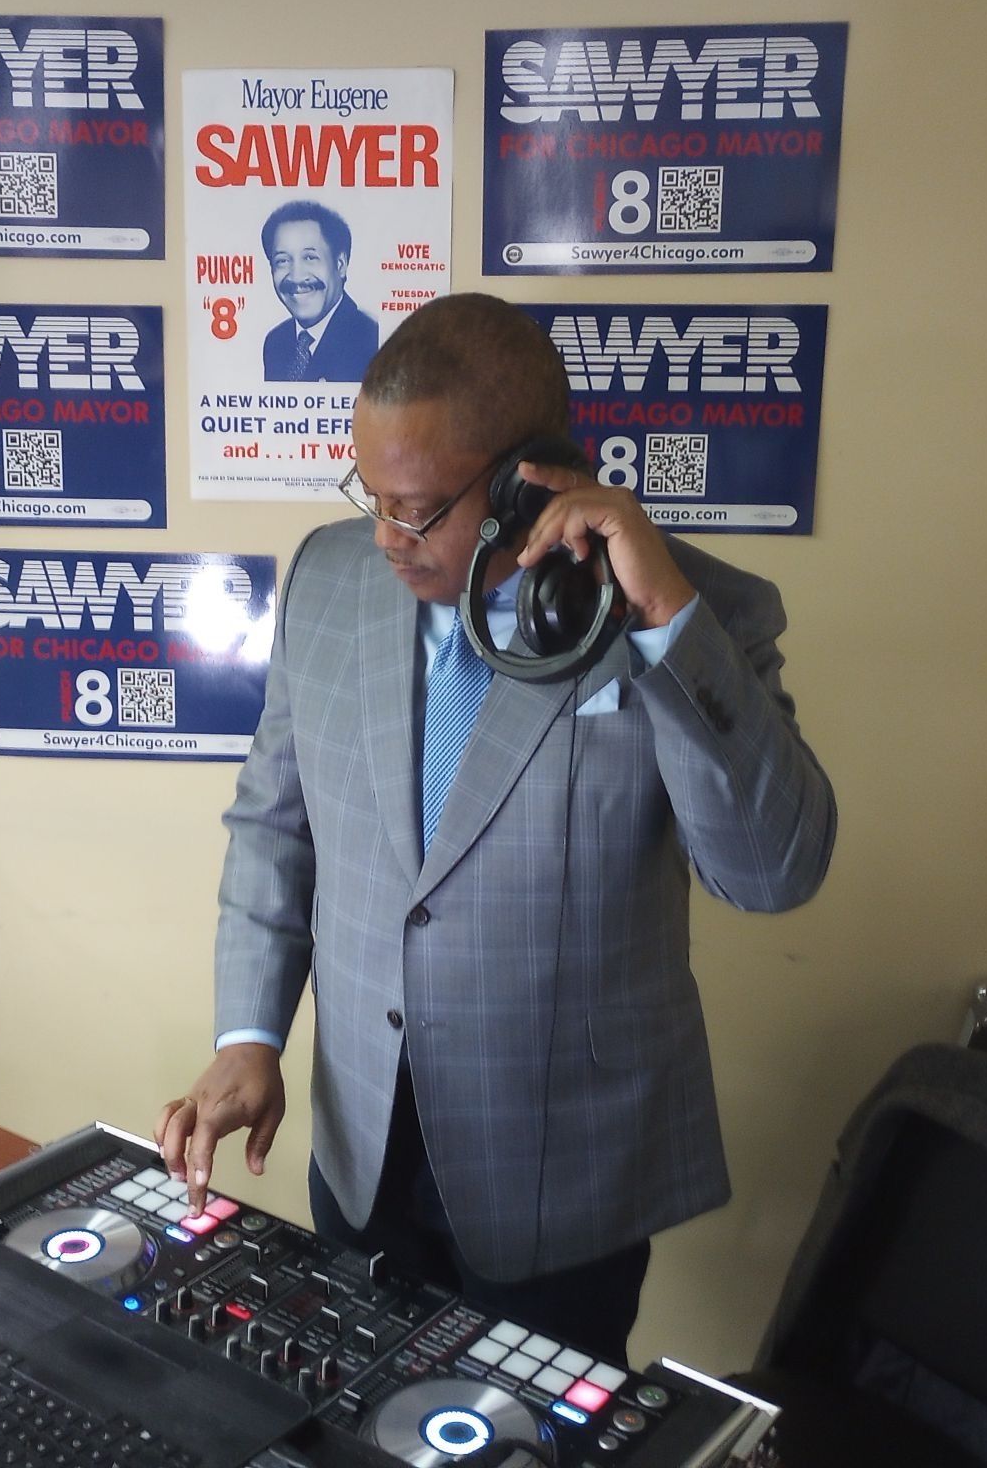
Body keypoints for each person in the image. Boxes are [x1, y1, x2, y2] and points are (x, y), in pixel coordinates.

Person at [157, 293, 835, 1361]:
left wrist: (665, 626)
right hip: (362, 1147)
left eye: (418, 509)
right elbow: (275, 827)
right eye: (369, 494)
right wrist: (249, 1036)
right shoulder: (328, 581)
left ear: (528, 482)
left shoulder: (686, 609)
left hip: (567, 1177)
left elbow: (774, 872)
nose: (385, 536)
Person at [258, 200, 380, 383]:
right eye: (282, 261)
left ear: (340, 265)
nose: (296, 276)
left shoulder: (371, 339)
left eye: (310, 257)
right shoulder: (276, 343)